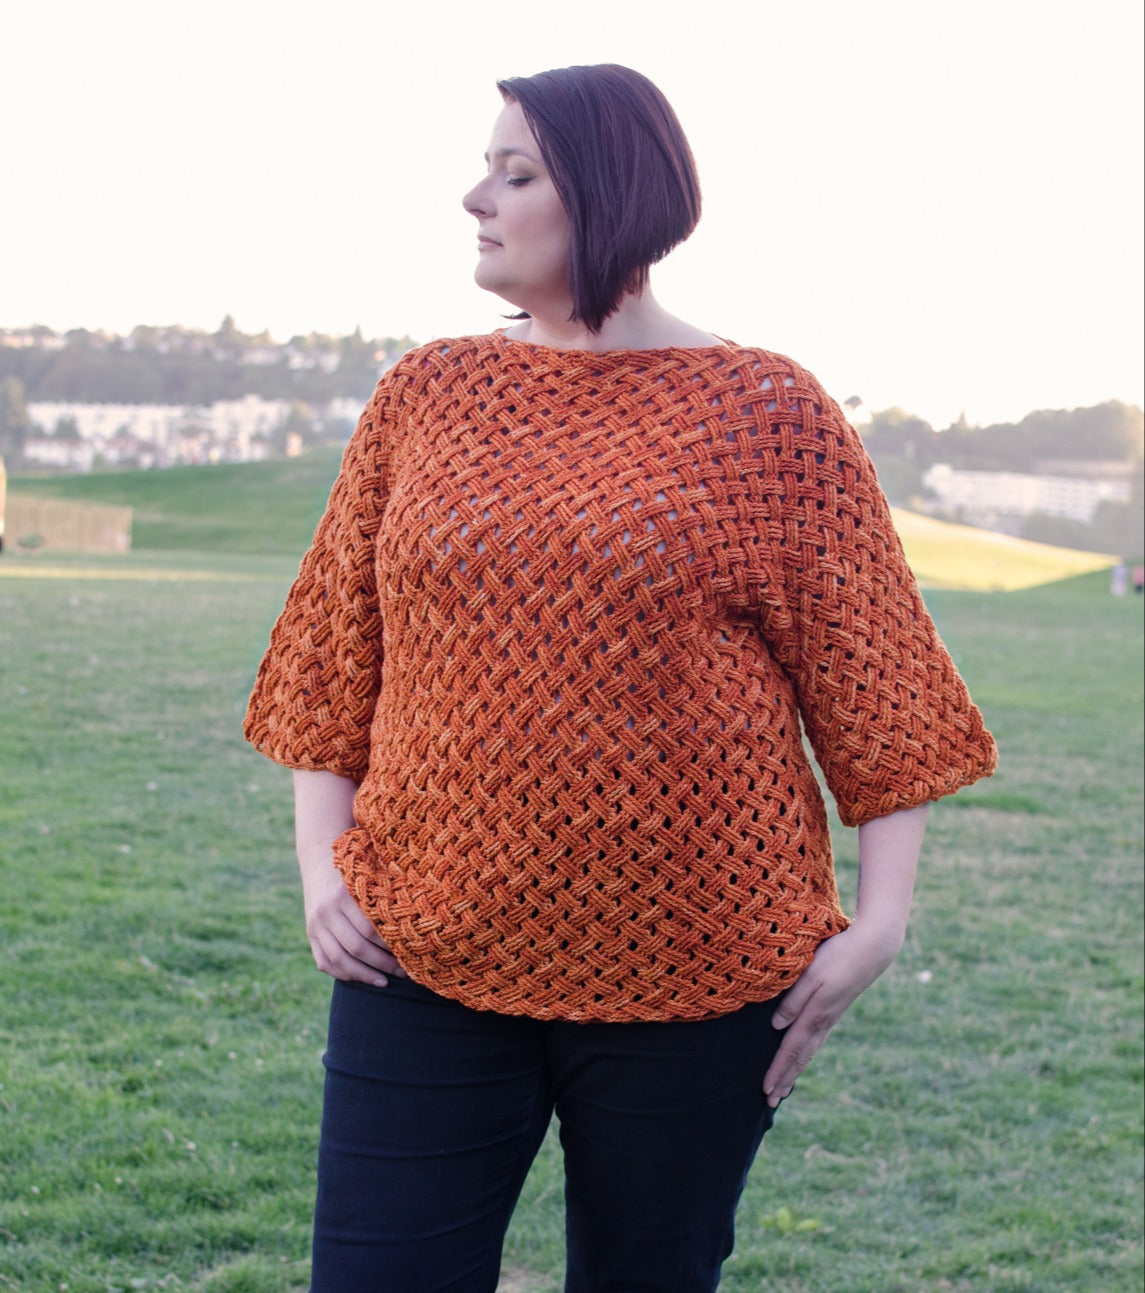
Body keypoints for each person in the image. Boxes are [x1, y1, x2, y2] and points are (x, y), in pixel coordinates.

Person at [244, 64, 997, 1293]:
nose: (473, 198)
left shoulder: (765, 410)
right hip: (424, 954)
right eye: (486, 167)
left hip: (700, 982)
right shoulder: (424, 396)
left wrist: (881, 922)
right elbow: (333, 653)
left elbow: (877, 689)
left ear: (607, 192)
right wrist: (320, 863)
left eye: (515, 172)